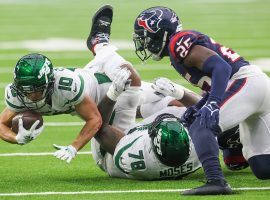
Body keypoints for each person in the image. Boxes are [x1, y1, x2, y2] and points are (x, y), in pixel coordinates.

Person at [133, 6, 270, 195]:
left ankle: (216, 180)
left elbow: (222, 68)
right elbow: (216, 81)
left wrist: (213, 103)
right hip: (256, 86)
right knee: (263, 167)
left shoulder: (177, 43)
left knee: (201, 125)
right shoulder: (177, 49)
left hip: (246, 82)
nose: (145, 44)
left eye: (146, 37)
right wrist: (199, 105)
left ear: (161, 33)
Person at [92, 67, 202, 180]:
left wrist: (113, 93)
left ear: (153, 142)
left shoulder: (132, 154)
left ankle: (128, 108)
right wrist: (179, 93)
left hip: (109, 154)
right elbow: (203, 110)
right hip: (156, 152)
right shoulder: (200, 150)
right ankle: (132, 108)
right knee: (183, 106)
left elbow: (99, 127)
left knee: (111, 100)